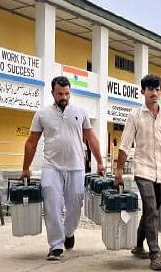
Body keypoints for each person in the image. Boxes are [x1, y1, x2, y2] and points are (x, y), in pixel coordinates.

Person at [21, 76, 105, 260]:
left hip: (76, 167)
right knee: (51, 205)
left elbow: (91, 139)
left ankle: (68, 232)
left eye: (67, 93)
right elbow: (31, 143)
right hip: (51, 167)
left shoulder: (80, 112)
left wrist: (99, 162)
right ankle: (56, 245)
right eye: (60, 93)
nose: (63, 97)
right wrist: (25, 167)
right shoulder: (42, 114)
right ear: (52, 93)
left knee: (75, 205)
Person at [113, 74, 161, 271]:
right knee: (151, 209)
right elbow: (125, 146)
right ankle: (155, 254)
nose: (154, 93)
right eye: (150, 89)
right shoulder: (134, 116)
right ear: (143, 92)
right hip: (143, 170)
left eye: (157, 89)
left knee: (151, 211)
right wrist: (118, 172)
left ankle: (138, 245)